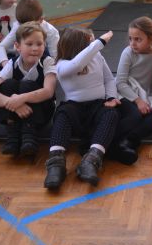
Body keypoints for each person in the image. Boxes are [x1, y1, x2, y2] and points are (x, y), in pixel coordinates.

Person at [44, 29, 120, 190]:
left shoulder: (97, 56)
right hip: (74, 108)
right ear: (78, 46)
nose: (92, 45)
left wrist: (111, 97)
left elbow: (109, 79)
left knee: (111, 114)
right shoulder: (61, 64)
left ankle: (91, 159)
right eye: (88, 43)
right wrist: (100, 42)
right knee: (62, 114)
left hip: (97, 105)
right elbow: (77, 64)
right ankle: (56, 163)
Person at [0, 21, 57, 158]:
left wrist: (20, 98)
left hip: (42, 112)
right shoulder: (12, 63)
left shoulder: (48, 62)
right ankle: (12, 135)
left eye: (39, 44)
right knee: (7, 85)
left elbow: (48, 91)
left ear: (44, 45)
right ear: (18, 46)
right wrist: (15, 105)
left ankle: (29, 136)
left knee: (27, 85)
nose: (35, 48)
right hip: (18, 112)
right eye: (29, 44)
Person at [114, 17, 152, 160]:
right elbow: (120, 82)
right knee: (135, 115)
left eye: (138, 39)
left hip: (146, 94)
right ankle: (109, 140)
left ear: (151, 39)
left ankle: (129, 141)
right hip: (125, 93)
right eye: (130, 38)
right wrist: (138, 101)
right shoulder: (128, 52)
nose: (132, 43)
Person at [0, 0, 60, 92]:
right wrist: (6, 64)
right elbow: (1, 47)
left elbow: (55, 58)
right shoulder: (18, 25)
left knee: (45, 51)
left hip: (38, 64)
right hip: (18, 62)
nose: (25, 28)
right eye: (22, 25)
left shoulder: (51, 32)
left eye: (30, 25)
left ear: (41, 20)